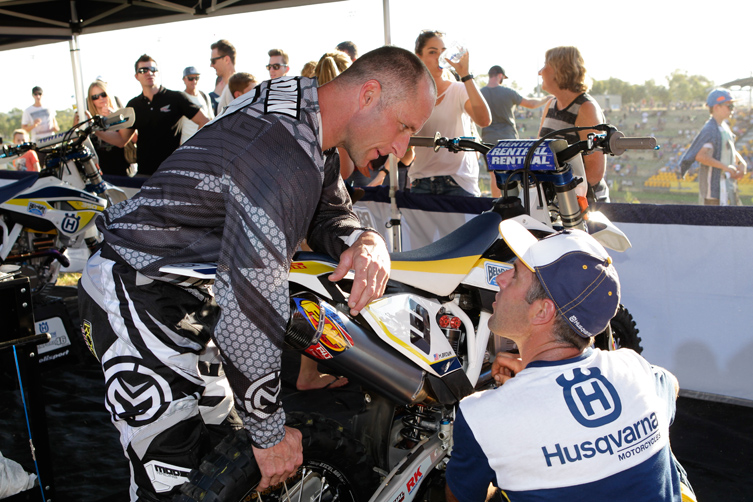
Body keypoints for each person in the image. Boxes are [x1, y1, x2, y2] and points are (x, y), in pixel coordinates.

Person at [78, 46, 436, 501]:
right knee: (171, 482)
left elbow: (327, 210)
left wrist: (364, 239)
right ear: (368, 95)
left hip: (189, 294)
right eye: (405, 127)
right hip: (135, 289)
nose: (403, 149)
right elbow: (250, 308)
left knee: (222, 465)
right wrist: (269, 433)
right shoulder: (282, 151)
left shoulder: (305, 111)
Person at [445, 220, 695, 502]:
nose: (500, 279)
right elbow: (670, 384)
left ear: (542, 311)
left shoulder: (483, 416)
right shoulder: (635, 370)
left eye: (514, 275)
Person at [408, 30, 491, 197]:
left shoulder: (459, 89)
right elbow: (405, 154)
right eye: (433, 52)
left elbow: (484, 120)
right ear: (418, 58)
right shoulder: (410, 96)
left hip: (458, 183)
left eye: (443, 52)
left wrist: (465, 75)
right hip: (422, 182)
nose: (440, 57)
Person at [97, 55, 209, 177]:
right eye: (143, 70)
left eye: (153, 69)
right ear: (136, 76)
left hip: (173, 173)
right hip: (144, 175)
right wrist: (95, 131)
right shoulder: (134, 105)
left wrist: (190, 152)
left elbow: (205, 121)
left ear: (158, 73)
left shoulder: (175, 98)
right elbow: (121, 140)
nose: (149, 73)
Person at [537, 46, 608, 200]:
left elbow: (594, 173)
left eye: (545, 65)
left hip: (583, 203)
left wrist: (564, 199)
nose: (540, 72)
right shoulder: (551, 104)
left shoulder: (586, 108)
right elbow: (540, 152)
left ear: (560, 70)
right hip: (558, 200)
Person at [481, 65, 549, 196]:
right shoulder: (508, 92)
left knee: (494, 176)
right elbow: (531, 104)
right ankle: (515, 204)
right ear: (500, 76)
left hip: (488, 139)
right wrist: (546, 99)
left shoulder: (479, 94)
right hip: (508, 139)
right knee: (513, 174)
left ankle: (496, 204)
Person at [680, 88, 747, 206]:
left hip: (726, 187)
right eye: (729, 106)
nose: (732, 109)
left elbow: (728, 148)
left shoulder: (724, 127)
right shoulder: (710, 129)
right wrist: (725, 167)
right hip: (714, 191)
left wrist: (741, 163)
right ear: (716, 107)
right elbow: (701, 156)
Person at [83, 79, 133, 175]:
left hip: (121, 168)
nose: (100, 98)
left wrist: (115, 116)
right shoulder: (88, 119)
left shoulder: (121, 114)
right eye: (95, 97)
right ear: (90, 100)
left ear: (109, 94)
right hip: (98, 170)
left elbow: (132, 139)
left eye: (103, 94)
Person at [179, 66, 214, 144]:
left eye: (197, 78)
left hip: (203, 143)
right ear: (184, 79)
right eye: (190, 78)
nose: (194, 81)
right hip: (186, 143)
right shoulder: (181, 98)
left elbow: (211, 119)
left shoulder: (204, 96)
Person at [210, 39, 237, 114]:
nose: (211, 65)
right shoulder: (227, 88)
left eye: (213, 61)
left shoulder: (239, 87)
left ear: (226, 59)